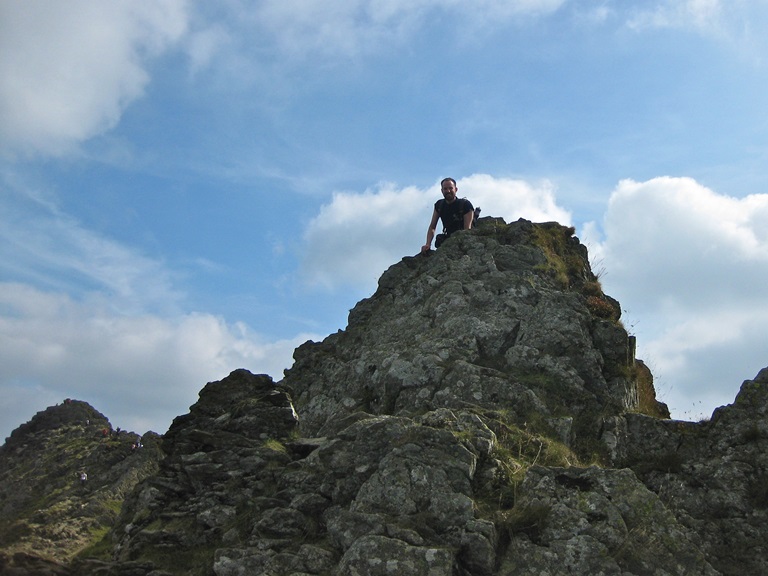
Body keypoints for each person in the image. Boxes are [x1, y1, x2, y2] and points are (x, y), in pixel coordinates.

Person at [421, 177, 474, 253]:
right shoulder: (439, 205)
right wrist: (428, 244)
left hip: (464, 238)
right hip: (449, 238)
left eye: (450, 188)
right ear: (442, 191)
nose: (448, 191)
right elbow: (432, 226)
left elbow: (467, 230)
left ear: (456, 189)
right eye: (445, 189)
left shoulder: (465, 205)